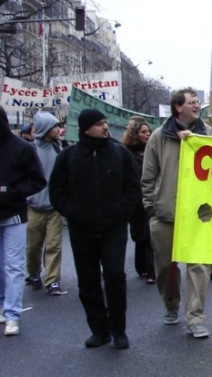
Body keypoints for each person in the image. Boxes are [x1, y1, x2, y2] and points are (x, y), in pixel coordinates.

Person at [50, 110, 140, 349]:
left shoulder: (119, 153)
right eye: (100, 124)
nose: (105, 127)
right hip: (82, 229)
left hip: (113, 228)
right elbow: (57, 192)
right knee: (88, 281)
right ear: (86, 128)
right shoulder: (69, 157)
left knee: (114, 275)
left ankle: (118, 329)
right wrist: (73, 212)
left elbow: (133, 187)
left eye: (105, 122)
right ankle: (99, 330)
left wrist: (122, 212)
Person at [142, 88, 212, 338]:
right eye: (192, 102)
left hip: (199, 216)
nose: (197, 106)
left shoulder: (208, 134)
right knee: (166, 267)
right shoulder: (158, 137)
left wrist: (198, 142)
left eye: (198, 102)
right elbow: (149, 176)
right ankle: (171, 303)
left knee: (199, 267)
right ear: (178, 107)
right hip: (166, 214)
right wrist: (151, 207)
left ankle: (195, 317)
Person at [0, 109, 46, 337]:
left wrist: (13, 193)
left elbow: (38, 180)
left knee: (13, 265)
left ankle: (12, 314)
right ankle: (2, 305)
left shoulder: (22, 148)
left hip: (14, 215)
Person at [25, 111, 66, 296]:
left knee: (54, 244)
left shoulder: (59, 150)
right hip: (33, 206)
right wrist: (28, 198)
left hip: (54, 207)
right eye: (55, 126)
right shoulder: (30, 150)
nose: (58, 129)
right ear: (45, 129)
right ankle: (34, 273)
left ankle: (53, 280)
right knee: (33, 246)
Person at [122, 118, 156, 284]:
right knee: (139, 235)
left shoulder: (153, 150)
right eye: (143, 132)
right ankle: (141, 266)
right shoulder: (126, 152)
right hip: (135, 200)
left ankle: (152, 271)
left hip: (151, 197)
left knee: (150, 235)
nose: (147, 134)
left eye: (148, 132)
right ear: (135, 134)